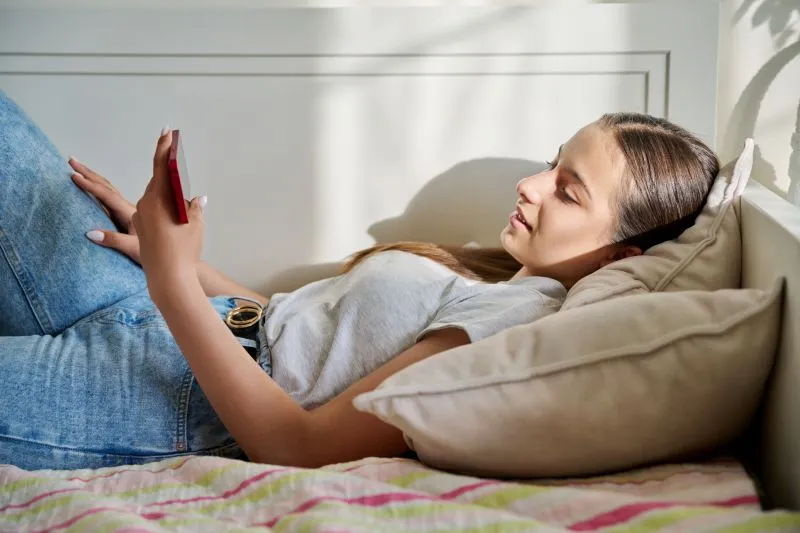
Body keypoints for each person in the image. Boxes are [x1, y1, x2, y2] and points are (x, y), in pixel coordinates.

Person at [0, 91, 719, 471]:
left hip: (170, 393)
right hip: (176, 312)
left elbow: (298, 444)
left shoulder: (513, 328)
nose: (530, 186)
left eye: (568, 191)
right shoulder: (493, 274)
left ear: (620, 259)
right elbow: (290, 322)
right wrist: (165, 254)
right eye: (550, 162)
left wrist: (172, 283)